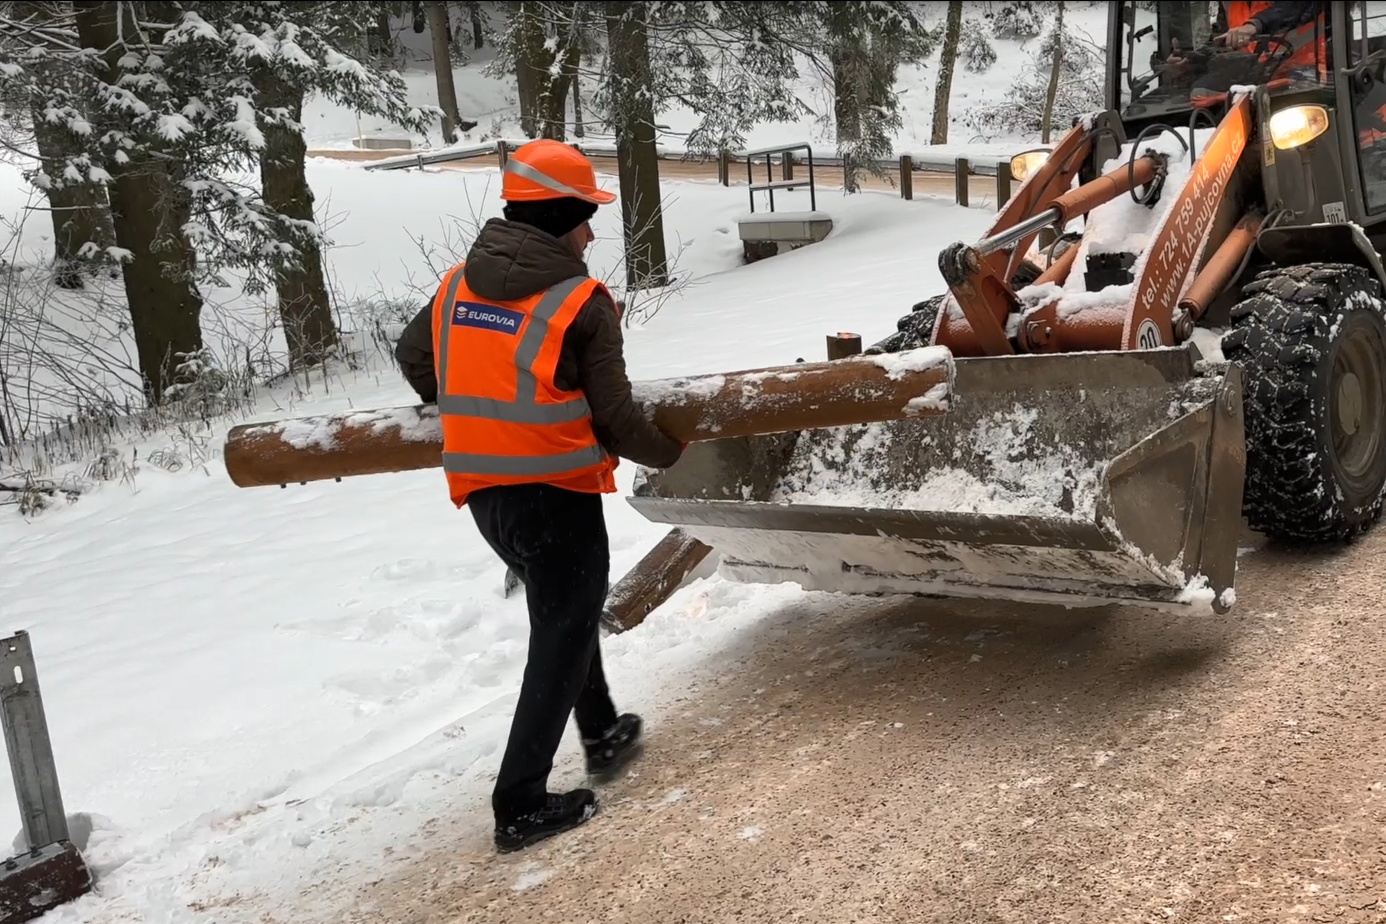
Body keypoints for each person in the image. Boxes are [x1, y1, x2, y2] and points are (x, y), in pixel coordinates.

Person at [392, 139, 685, 853]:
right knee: (560, 632)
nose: (590, 232)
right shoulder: (581, 301)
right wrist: (674, 455)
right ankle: (518, 800)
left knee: (566, 614)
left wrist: (469, 399)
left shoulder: (459, 283)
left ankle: (602, 730)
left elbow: (413, 356)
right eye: (585, 217)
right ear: (558, 216)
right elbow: (616, 416)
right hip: (556, 491)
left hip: (486, 495)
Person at [1163, 1, 1327, 97]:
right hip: (1256, 77)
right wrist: (1189, 61)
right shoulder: (1231, 4)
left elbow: (1298, 7)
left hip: (1310, 74)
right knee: (1201, 91)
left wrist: (1254, 25)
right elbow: (1221, 43)